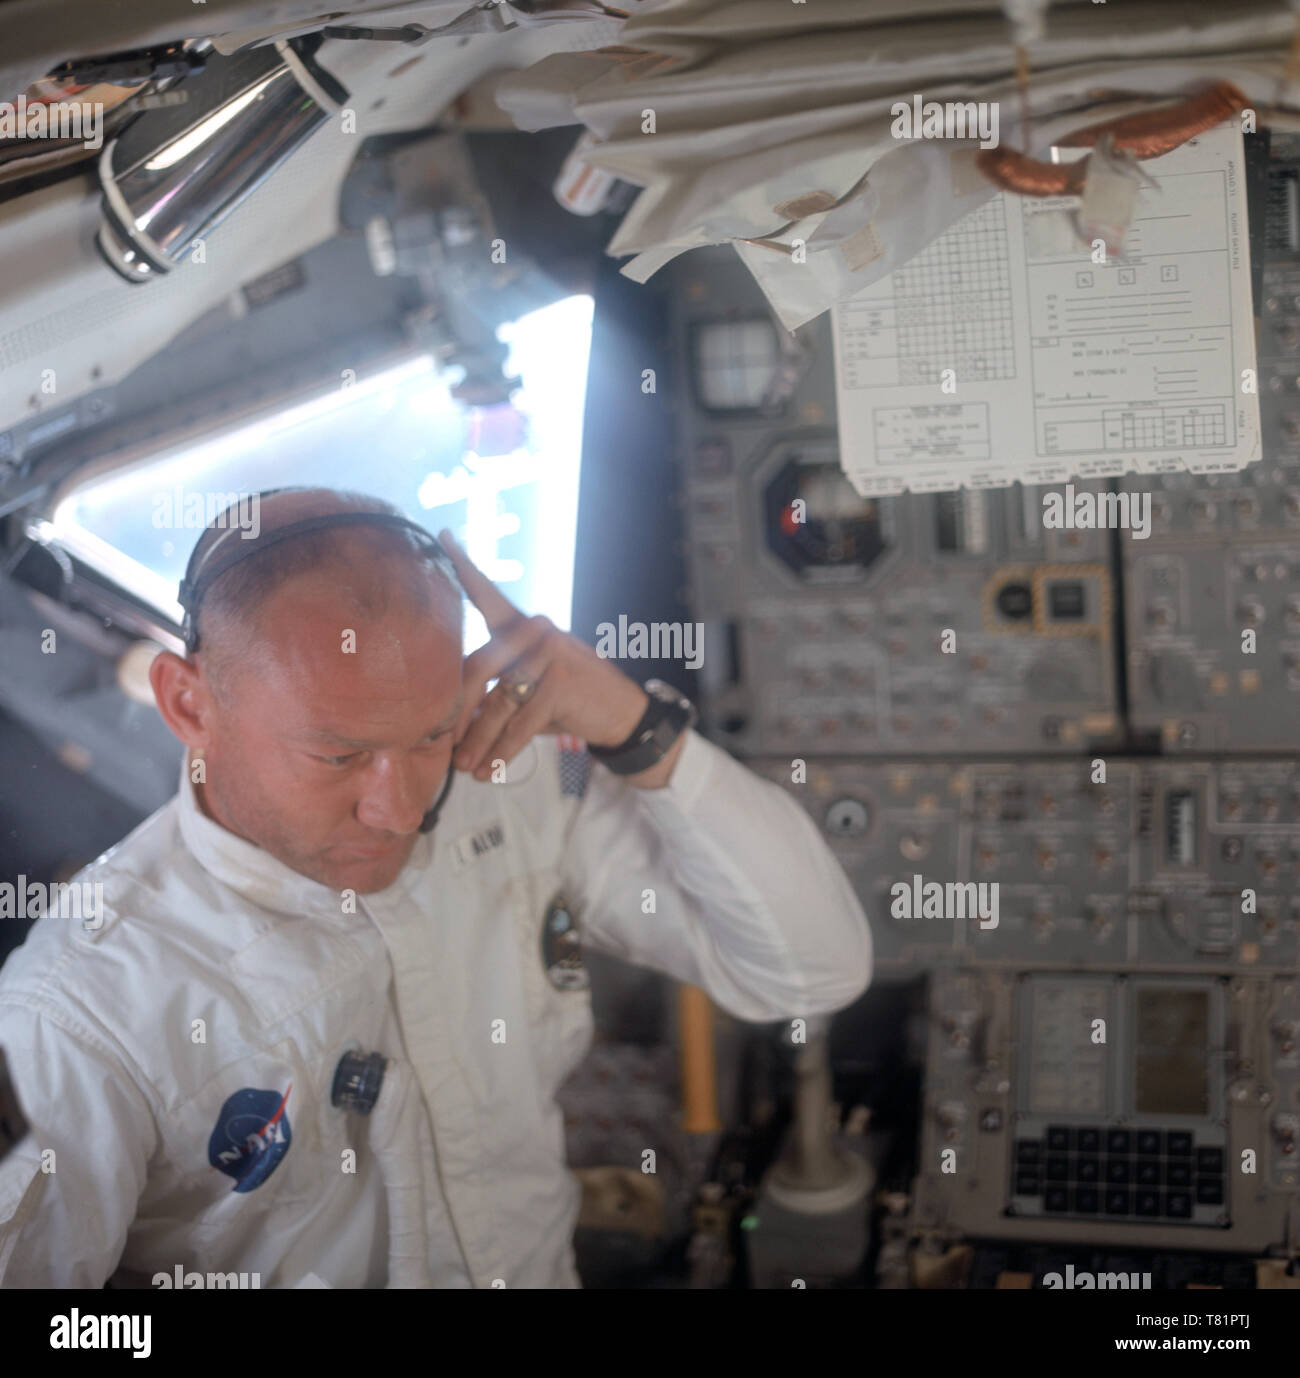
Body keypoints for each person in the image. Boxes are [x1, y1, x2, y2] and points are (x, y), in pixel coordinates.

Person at [0, 487, 871, 1288]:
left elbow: (808, 974)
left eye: (429, 735)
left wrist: (637, 730)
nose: (399, 808)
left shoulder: (509, 787)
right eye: (337, 755)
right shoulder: (80, 1010)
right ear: (189, 705)